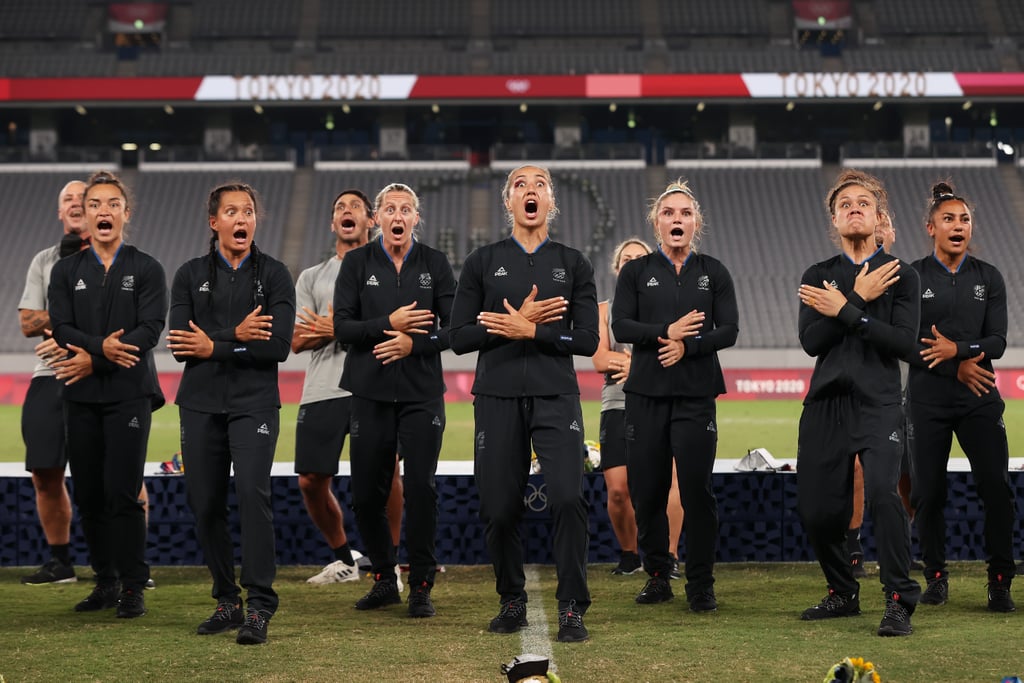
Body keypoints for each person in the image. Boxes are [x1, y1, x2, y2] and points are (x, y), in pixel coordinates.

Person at [450, 164, 598, 643]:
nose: (530, 191)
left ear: (551, 201)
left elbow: (588, 338)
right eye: (520, 185)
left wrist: (533, 330)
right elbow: (456, 337)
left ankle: (572, 606)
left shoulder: (574, 263)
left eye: (540, 186)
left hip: (556, 395)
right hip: (496, 395)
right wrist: (505, 325)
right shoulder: (481, 260)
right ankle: (512, 598)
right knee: (497, 507)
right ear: (507, 201)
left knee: (568, 497)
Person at [167, 182, 295, 645]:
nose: (242, 220)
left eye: (248, 212)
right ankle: (226, 599)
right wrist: (237, 336)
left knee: (252, 496)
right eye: (232, 212)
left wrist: (215, 344)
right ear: (214, 222)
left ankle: (259, 605)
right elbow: (182, 343)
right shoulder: (188, 274)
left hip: (254, 404)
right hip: (199, 403)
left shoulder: (276, 275)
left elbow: (278, 347)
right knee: (204, 505)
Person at [796, 169, 921, 637]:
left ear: (878, 214)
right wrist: (857, 297)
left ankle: (897, 600)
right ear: (834, 218)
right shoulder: (817, 274)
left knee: (886, 496)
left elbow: (904, 345)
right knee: (816, 508)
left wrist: (847, 309)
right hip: (826, 403)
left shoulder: (900, 275)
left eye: (863, 202)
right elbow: (811, 341)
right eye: (844, 203)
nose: (854, 208)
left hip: (878, 401)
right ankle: (843, 592)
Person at [611, 180, 738, 614]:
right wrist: (666, 333)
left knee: (698, 492)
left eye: (685, 213)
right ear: (656, 223)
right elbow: (621, 327)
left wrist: (690, 346)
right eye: (669, 213)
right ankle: (658, 575)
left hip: (696, 396)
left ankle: (701, 583)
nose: (677, 219)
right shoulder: (635, 272)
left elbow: (730, 330)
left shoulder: (714, 271)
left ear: (696, 222)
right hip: (645, 395)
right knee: (647, 491)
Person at [48, 171, 166, 618]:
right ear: (87, 212)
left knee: (122, 493)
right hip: (80, 396)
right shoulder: (66, 271)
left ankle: (134, 585)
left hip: (128, 395)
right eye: (95, 204)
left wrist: (94, 358)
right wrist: (102, 350)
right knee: (90, 496)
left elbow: (150, 329)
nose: (103, 211)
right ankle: (105, 581)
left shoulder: (147, 267)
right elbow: (60, 327)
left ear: (125, 213)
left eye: (112, 204)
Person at [333, 182, 455, 618]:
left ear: (415, 219)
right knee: (366, 494)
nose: (397, 215)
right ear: (376, 219)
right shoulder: (357, 263)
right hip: (369, 392)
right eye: (389, 209)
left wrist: (412, 344)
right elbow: (343, 328)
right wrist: (389, 322)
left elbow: (454, 331)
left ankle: (421, 582)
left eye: (406, 209)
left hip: (422, 395)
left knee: (421, 488)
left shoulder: (435, 263)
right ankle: (385, 577)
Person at [908, 181, 1015, 612]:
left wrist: (963, 351)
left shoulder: (988, 277)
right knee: (929, 493)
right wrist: (955, 364)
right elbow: (907, 340)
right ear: (930, 227)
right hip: (928, 400)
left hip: (979, 398)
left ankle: (1000, 580)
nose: (958, 226)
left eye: (965, 219)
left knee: (996, 489)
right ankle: (935, 576)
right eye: (949, 219)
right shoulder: (912, 276)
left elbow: (998, 341)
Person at [293, 189, 405, 587]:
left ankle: (387, 563)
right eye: (339, 207)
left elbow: (394, 324)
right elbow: (296, 340)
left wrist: (336, 326)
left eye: (355, 206)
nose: (347, 211)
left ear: (371, 220)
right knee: (310, 480)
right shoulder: (311, 277)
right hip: (322, 387)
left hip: (372, 384)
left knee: (386, 474)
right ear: (332, 223)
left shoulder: (390, 269)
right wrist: (345, 327)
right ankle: (343, 558)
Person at [591, 237, 685, 578]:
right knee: (618, 489)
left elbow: (676, 356)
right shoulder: (603, 310)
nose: (631, 263)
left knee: (671, 480)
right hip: (616, 403)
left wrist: (636, 365)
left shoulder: (669, 309)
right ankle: (630, 554)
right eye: (625, 259)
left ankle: (669, 556)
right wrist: (645, 362)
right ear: (617, 269)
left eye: (639, 258)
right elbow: (600, 359)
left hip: (660, 400)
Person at [18, 180, 87, 585]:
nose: (75, 204)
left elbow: (118, 317)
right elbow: (28, 322)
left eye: (83, 198)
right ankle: (61, 562)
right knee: (45, 472)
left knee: (117, 471)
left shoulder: (113, 259)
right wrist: (70, 318)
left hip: (100, 373)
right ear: (59, 212)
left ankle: (127, 563)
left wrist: (63, 326)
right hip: (49, 375)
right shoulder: (43, 260)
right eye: (68, 200)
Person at [846, 209, 917, 579]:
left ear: (890, 232)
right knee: (864, 473)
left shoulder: (906, 279)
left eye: (886, 224)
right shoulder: (846, 276)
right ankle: (854, 544)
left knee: (907, 477)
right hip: (867, 396)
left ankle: (903, 544)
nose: (880, 230)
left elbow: (908, 340)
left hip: (906, 390)